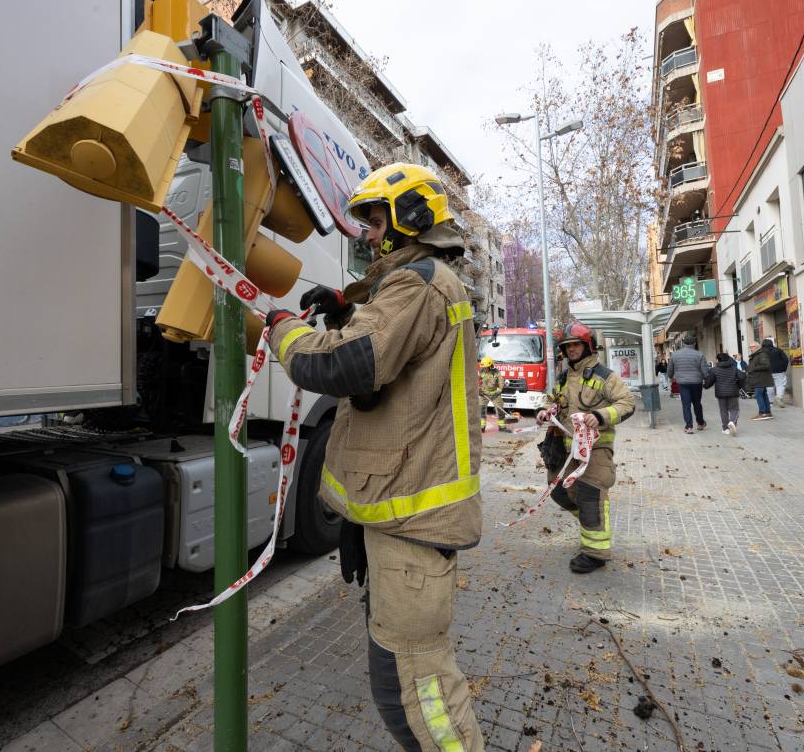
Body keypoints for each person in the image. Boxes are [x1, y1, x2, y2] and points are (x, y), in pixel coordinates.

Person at [265, 162, 486, 749]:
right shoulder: (414, 281)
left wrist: (282, 331)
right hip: (402, 513)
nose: (364, 232)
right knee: (410, 686)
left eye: (374, 218)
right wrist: (343, 311)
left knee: (416, 693)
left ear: (412, 216)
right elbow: (389, 354)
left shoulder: (419, 282)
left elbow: (351, 365)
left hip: (414, 524)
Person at [536, 323, 635, 573]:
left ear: (587, 345)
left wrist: (601, 416)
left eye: (576, 345)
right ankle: (592, 523)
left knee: (590, 496)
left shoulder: (605, 376)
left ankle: (595, 553)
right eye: (567, 346)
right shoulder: (562, 377)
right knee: (557, 490)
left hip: (596, 449)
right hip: (566, 449)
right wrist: (546, 410)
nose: (571, 350)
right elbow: (554, 401)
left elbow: (627, 403)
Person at [667, 334, 708, 433]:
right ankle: (700, 423)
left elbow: (669, 371)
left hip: (682, 382)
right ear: (694, 343)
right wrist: (707, 380)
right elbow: (705, 371)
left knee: (686, 404)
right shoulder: (700, 355)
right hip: (697, 383)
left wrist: (671, 377)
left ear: (683, 343)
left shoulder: (675, 355)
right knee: (697, 403)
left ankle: (689, 426)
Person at [703, 352, 746, 436]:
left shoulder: (714, 370)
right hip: (733, 392)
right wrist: (739, 386)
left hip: (721, 393)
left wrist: (705, 385)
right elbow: (742, 376)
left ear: (718, 360)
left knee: (723, 410)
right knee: (734, 409)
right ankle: (732, 422)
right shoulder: (734, 368)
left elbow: (709, 382)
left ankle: (725, 428)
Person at [747, 339, 776, 420]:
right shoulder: (757, 354)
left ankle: (762, 413)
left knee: (758, 395)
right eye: (750, 347)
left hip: (761, 379)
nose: (751, 349)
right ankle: (768, 412)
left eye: (752, 347)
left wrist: (754, 368)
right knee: (763, 394)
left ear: (757, 347)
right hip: (759, 378)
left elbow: (766, 365)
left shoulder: (762, 354)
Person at [478, 357, 508, 432]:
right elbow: (476, 380)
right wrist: (479, 389)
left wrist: (499, 390)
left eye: (486, 367)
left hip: (495, 394)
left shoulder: (496, 372)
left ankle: (502, 427)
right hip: (484, 394)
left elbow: (501, 381)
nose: (485, 369)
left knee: (500, 409)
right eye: (484, 367)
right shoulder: (481, 371)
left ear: (490, 365)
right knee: (481, 410)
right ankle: (482, 427)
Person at [767, 338, 791, 407]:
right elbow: (786, 360)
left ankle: (770, 402)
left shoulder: (763, 352)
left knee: (769, 386)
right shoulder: (778, 350)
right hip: (779, 371)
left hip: (767, 371)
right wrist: (784, 368)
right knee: (780, 384)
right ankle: (779, 397)